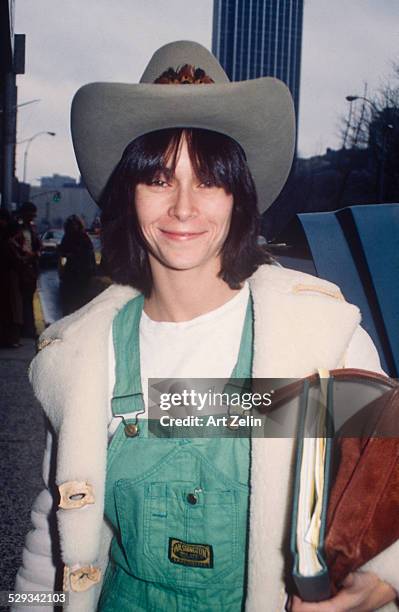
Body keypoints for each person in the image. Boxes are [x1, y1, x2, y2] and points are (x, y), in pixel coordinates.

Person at [14, 42, 399, 612]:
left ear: (240, 196)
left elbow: (385, 481)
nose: (185, 208)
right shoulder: (83, 355)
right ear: (128, 194)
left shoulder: (322, 338)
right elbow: (52, 536)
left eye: (210, 180)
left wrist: (384, 581)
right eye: (161, 179)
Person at [58, 214, 96, 315]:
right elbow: (63, 254)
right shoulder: (68, 237)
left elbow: (89, 255)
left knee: (79, 302)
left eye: (74, 224)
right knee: (71, 302)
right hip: (72, 273)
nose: (73, 227)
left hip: (82, 273)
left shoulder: (83, 238)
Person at [17, 201, 41, 338]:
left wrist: (36, 253)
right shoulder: (19, 229)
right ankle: (26, 329)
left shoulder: (32, 229)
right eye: (31, 214)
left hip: (30, 268)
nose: (33, 217)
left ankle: (29, 328)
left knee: (28, 299)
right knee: (23, 300)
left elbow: (36, 246)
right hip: (23, 267)